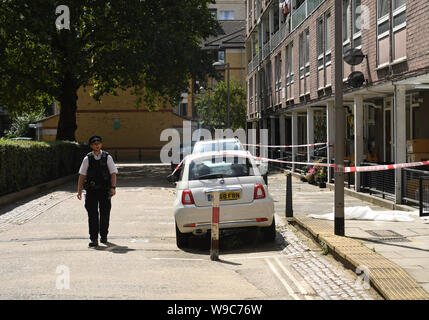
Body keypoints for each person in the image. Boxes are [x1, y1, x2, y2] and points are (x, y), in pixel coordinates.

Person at [77, 135, 118, 247]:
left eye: (98, 143)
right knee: (92, 215)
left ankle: (104, 236)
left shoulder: (107, 157)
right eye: (94, 143)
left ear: (101, 144)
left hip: (105, 190)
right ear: (91, 146)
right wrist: (79, 190)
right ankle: (94, 238)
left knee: (105, 213)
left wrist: (113, 188)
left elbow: (113, 173)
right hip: (91, 191)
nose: (97, 145)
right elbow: (82, 175)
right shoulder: (87, 158)